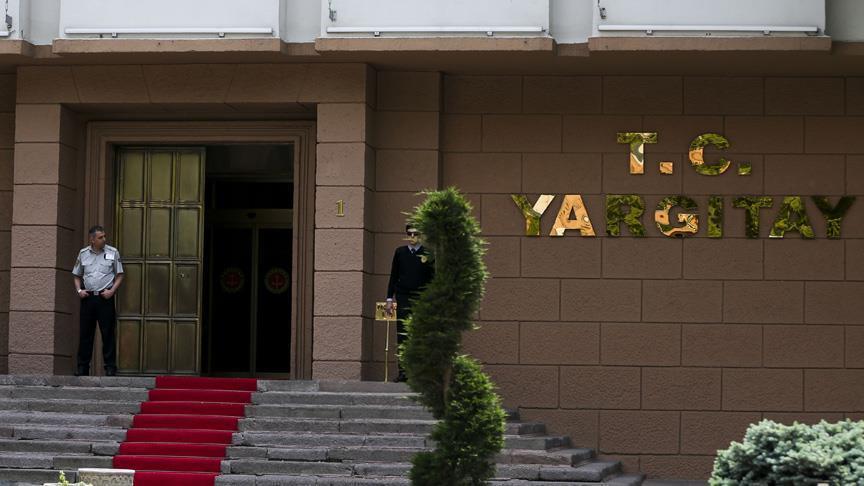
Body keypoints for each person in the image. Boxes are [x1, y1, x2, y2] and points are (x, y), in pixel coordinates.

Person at [72, 225, 124, 376]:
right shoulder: (83, 254)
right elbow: (76, 275)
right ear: (92, 239)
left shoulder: (112, 252)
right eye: (100, 237)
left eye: (104, 236)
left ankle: (110, 367)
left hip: (104, 298)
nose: (104, 239)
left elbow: (120, 274)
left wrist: (112, 291)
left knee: (108, 333)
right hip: (88, 298)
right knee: (86, 333)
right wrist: (79, 290)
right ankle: (83, 367)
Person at [386, 224, 434, 382]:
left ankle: (421, 373)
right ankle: (403, 372)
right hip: (403, 296)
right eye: (409, 234)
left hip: (421, 298)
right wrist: (389, 299)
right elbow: (394, 276)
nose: (412, 237)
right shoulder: (400, 252)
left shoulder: (427, 253)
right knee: (403, 333)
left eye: (415, 234)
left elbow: (433, 278)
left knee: (421, 334)